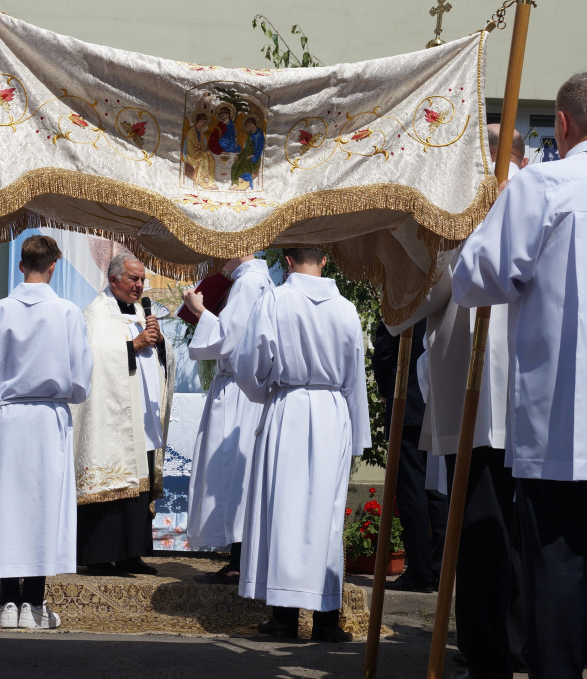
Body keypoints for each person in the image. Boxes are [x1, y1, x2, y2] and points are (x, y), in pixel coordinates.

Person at [452, 71, 587, 679]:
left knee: (555, 566)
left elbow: (473, 279)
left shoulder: (541, 185)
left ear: (561, 126)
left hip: (556, 418)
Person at [391, 122, 528, 678]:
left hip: (483, 387)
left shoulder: (481, 203)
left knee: (480, 524)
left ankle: (488, 645)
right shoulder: (540, 190)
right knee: (530, 524)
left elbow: (440, 288)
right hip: (529, 389)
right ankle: (528, 639)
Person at [233, 247, 369, 642]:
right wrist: (356, 435)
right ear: (324, 260)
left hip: (289, 407)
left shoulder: (274, 299)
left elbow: (248, 363)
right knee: (325, 516)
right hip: (332, 410)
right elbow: (355, 376)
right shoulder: (345, 308)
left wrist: (267, 394)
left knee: (284, 510)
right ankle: (326, 619)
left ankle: (284, 616)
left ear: (287, 261)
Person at [0, 235, 93, 629]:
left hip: (8, 418)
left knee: (7, 505)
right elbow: (81, 379)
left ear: (21, 265)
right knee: (42, 506)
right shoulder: (68, 312)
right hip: (48, 416)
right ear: (53, 267)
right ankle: (34, 604)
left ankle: (7, 602)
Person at [71, 253, 175, 576]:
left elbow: (162, 358)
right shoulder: (95, 315)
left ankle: (132, 553)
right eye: (133, 279)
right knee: (114, 478)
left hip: (141, 411)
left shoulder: (144, 314)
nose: (140, 285)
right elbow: (94, 359)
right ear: (113, 279)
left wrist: (157, 344)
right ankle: (101, 553)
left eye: (142, 279)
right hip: (111, 415)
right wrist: (133, 345)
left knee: (140, 482)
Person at [181, 254, 273, 584]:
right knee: (239, 474)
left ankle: (239, 560)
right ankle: (240, 556)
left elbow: (224, 337)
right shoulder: (258, 280)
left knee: (234, 474)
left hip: (238, 389)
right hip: (244, 386)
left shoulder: (248, 282)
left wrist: (198, 309)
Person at [371, 319, 448, 593]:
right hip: (439, 402)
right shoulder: (447, 290)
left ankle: (420, 570)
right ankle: (441, 568)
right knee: (439, 489)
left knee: (412, 491)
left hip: (408, 400)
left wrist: (385, 389)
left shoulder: (403, 296)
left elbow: (384, 352)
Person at [183, 113, 218, 190]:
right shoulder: (191, 131)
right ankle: (199, 179)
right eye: (201, 121)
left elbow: (202, 144)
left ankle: (210, 181)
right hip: (192, 153)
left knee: (211, 158)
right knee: (204, 158)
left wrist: (205, 148)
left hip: (199, 151)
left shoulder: (201, 131)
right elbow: (190, 145)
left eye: (204, 122)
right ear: (197, 121)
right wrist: (200, 150)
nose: (202, 123)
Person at [230, 117, 264, 190]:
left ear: (254, 124)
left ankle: (242, 181)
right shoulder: (250, 134)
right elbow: (246, 147)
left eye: (250, 124)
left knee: (244, 164)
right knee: (235, 165)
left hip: (255, 155)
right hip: (246, 153)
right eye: (248, 126)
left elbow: (259, 147)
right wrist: (239, 155)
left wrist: (253, 156)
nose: (250, 126)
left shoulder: (259, 134)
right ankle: (234, 183)